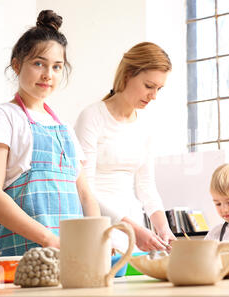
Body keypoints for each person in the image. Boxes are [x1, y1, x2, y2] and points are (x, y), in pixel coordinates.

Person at [0, 10, 100, 256]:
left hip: (71, 256)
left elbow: (85, 196)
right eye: (38, 64)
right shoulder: (2, 117)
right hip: (23, 256)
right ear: (16, 64)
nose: (48, 75)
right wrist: (50, 240)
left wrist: (96, 239)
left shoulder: (65, 128)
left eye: (57, 67)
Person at [75, 42, 176, 253]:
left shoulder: (145, 126)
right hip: (99, 226)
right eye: (149, 86)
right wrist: (134, 229)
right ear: (128, 74)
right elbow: (85, 190)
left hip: (135, 231)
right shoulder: (92, 117)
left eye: (159, 89)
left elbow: (146, 186)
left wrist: (163, 228)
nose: (154, 96)